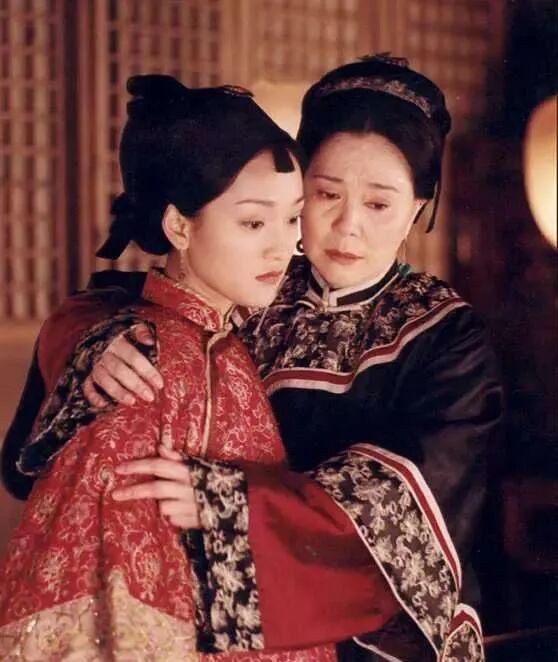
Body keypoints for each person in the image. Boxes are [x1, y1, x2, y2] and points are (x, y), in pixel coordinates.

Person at [2, 57, 502, 661]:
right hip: (204, 617)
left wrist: (231, 504)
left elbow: (405, 509)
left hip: (374, 631)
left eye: (379, 205)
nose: (347, 227)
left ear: (418, 209)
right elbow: (118, 303)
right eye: (325, 195)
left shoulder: (445, 334)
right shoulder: (247, 277)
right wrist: (88, 342)